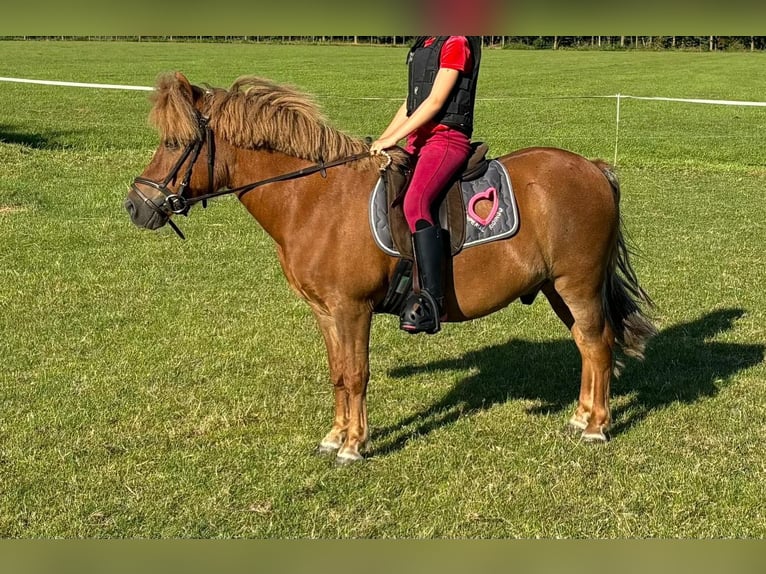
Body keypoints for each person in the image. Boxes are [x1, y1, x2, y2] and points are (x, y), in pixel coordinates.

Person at [370, 36, 482, 335]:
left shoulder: (456, 41)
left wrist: (392, 139)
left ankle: (431, 300)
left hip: (445, 140)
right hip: (418, 142)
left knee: (415, 202)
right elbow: (411, 103)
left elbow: (434, 102)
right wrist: (382, 140)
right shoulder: (426, 43)